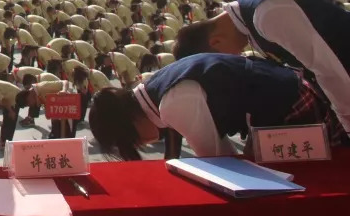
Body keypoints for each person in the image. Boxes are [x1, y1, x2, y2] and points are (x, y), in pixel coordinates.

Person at [89, 53, 345, 160]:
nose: (141, 146)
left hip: (290, 105)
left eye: (130, 143)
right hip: (286, 93)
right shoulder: (156, 84)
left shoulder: (172, 104)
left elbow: (218, 161)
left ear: (128, 126)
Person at [174, 0, 350, 134]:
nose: (233, 61)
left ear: (216, 42)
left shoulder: (266, 15)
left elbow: (328, 71)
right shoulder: (250, 23)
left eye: (220, 61)